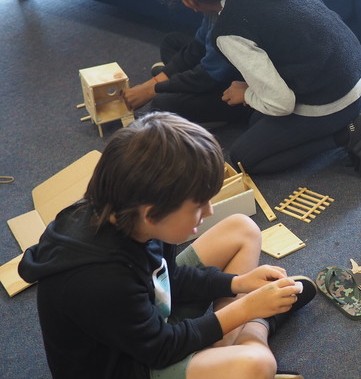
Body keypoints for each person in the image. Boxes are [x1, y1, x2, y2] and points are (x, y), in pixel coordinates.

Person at [18, 112, 315, 379]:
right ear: (152, 213)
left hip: (147, 316)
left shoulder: (132, 213)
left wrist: (237, 283)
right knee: (257, 364)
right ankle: (256, 329)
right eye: (198, 205)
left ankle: (226, 344)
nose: (209, 211)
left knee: (243, 229)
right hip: (130, 362)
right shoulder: (100, 280)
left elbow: (167, 278)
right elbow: (161, 348)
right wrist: (249, 309)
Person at [124, 0, 361, 179]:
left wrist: (247, 94)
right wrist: (162, 82)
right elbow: (202, 47)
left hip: (328, 100)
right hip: (353, 75)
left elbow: (281, 103)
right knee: (174, 47)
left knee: (243, 158)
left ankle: (349, 133)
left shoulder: (230, 29)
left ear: (189, 3)